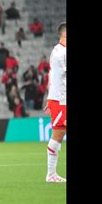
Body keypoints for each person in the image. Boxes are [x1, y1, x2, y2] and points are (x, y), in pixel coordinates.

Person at [44, 22, 66, 183]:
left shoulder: (57, 51)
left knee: (60, 133)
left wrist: (49, 97)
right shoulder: (61, 54)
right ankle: (51, 174)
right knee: (58, 134)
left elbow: (52, 76)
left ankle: (51, 174)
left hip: (58, 97)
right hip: (61, 99)